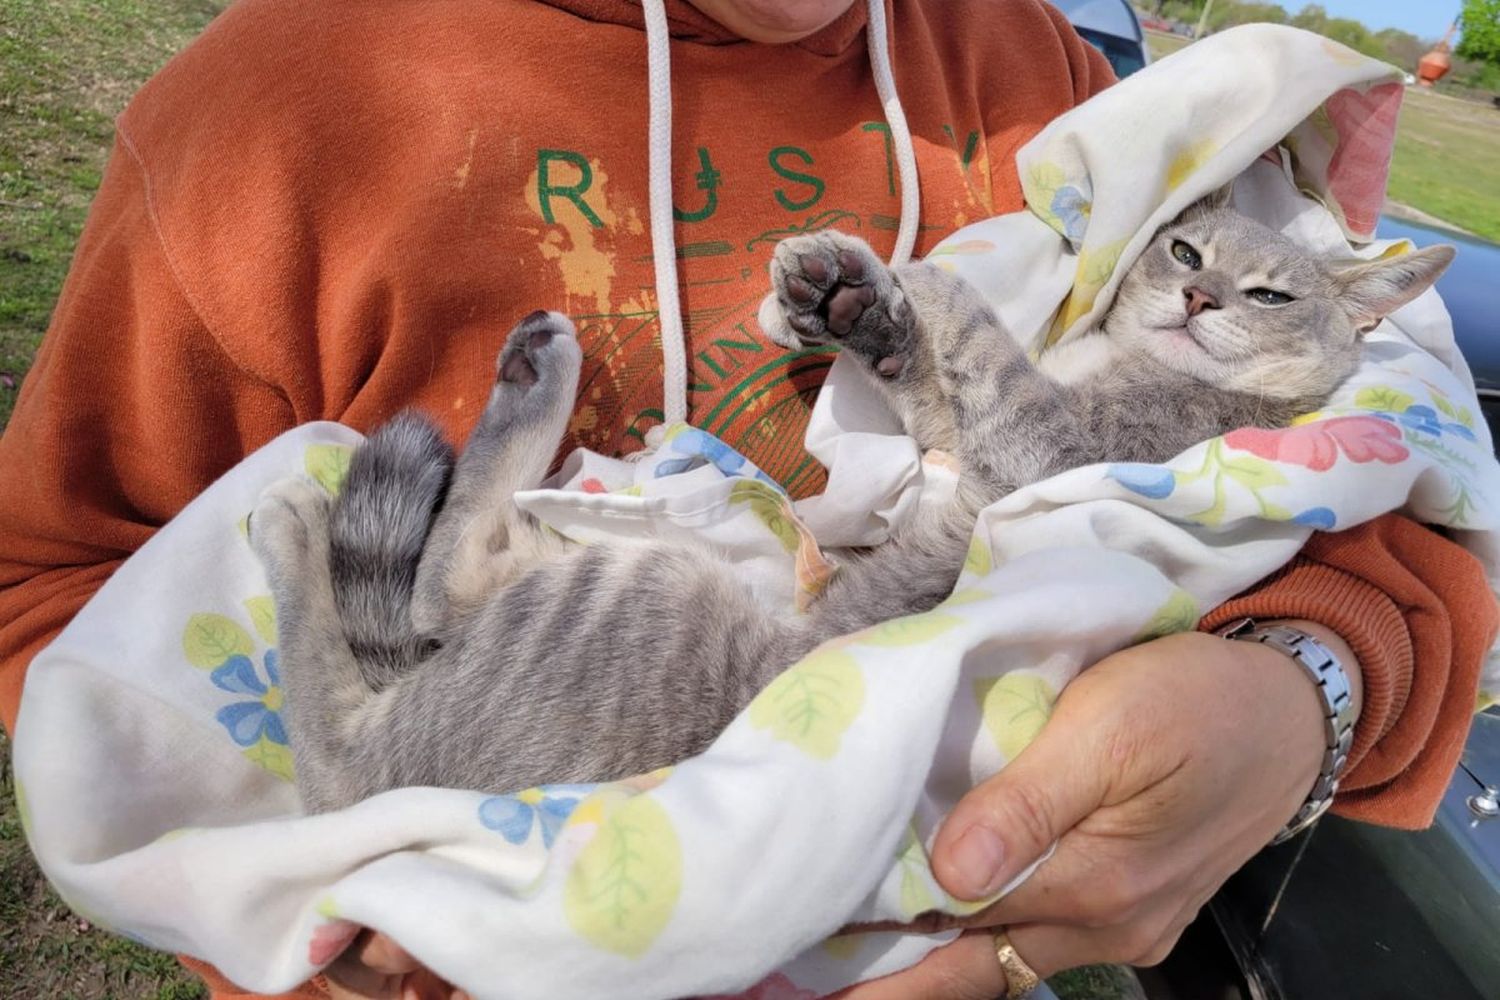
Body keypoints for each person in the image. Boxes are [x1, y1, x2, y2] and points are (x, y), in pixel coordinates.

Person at [0, 1, 1492, 997]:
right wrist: (322, 903)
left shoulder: (1042, 79)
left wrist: (1307, 684)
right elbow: (56, 593)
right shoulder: (277, 109)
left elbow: (1364, 522)